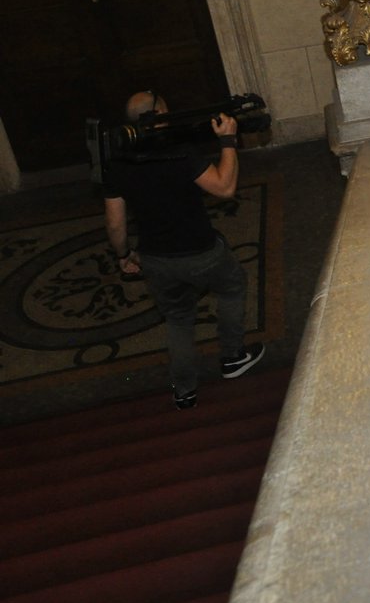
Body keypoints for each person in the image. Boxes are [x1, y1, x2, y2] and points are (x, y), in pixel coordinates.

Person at [102, 91, 265, 410]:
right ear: (160, 114)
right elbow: (225, 187)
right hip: (201, 250)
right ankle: (233, 357)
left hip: (156, 259)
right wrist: (228, 142)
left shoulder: (117, 162)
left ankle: (184, 390)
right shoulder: (179, 152)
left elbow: (115, 224)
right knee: (232, 288)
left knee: (177, 318)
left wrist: (123, 255)